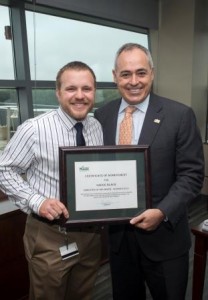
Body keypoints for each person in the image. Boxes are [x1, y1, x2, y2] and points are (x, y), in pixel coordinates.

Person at [94, 43, 204, 300]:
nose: (134, 81)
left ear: (152, 74)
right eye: (125, 74)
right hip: (120, 242)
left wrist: (162, 212)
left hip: (165, 240)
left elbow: (192, 175)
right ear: (114, 76)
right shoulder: (102, 115)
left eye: (141, 73)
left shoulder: (180, 115)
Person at [0, 61, 103, 300]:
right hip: (50, 234)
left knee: (83, 294)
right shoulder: (34, 129)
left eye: (86, 89)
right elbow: (4, 169)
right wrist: (38, 201)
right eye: (71, 89)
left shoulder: (95, 126)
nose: (80, 96)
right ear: (58, 92)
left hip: (91, 234)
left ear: (94, 92)